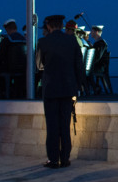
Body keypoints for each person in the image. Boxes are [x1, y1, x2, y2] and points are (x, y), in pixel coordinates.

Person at [36, 15, 85, 169]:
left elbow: (38, 65)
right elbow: (79, 65)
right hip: (68, 88)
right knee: (65, 124)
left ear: (49, 26)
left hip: (50, 88)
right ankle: (65, 158)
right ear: (62, 25)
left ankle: (53, 159)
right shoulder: (71, 41)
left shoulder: (43, 42)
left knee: (52, 126)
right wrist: (80, 85)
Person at [0, 19, 26, 98]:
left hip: (8, 68)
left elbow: (0, 57)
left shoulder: (7, 40)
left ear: (7, 29)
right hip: (23, 68)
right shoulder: (24, 39)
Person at [89, 25, 109, 94]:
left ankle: (95, 88)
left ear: (96, 32)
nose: (90, 33)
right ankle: (95, 87)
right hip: (99, 65)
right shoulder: (100, 43)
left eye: (92, 31)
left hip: (100, 67)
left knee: (84, 71)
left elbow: (97, 57)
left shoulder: (100, 43)